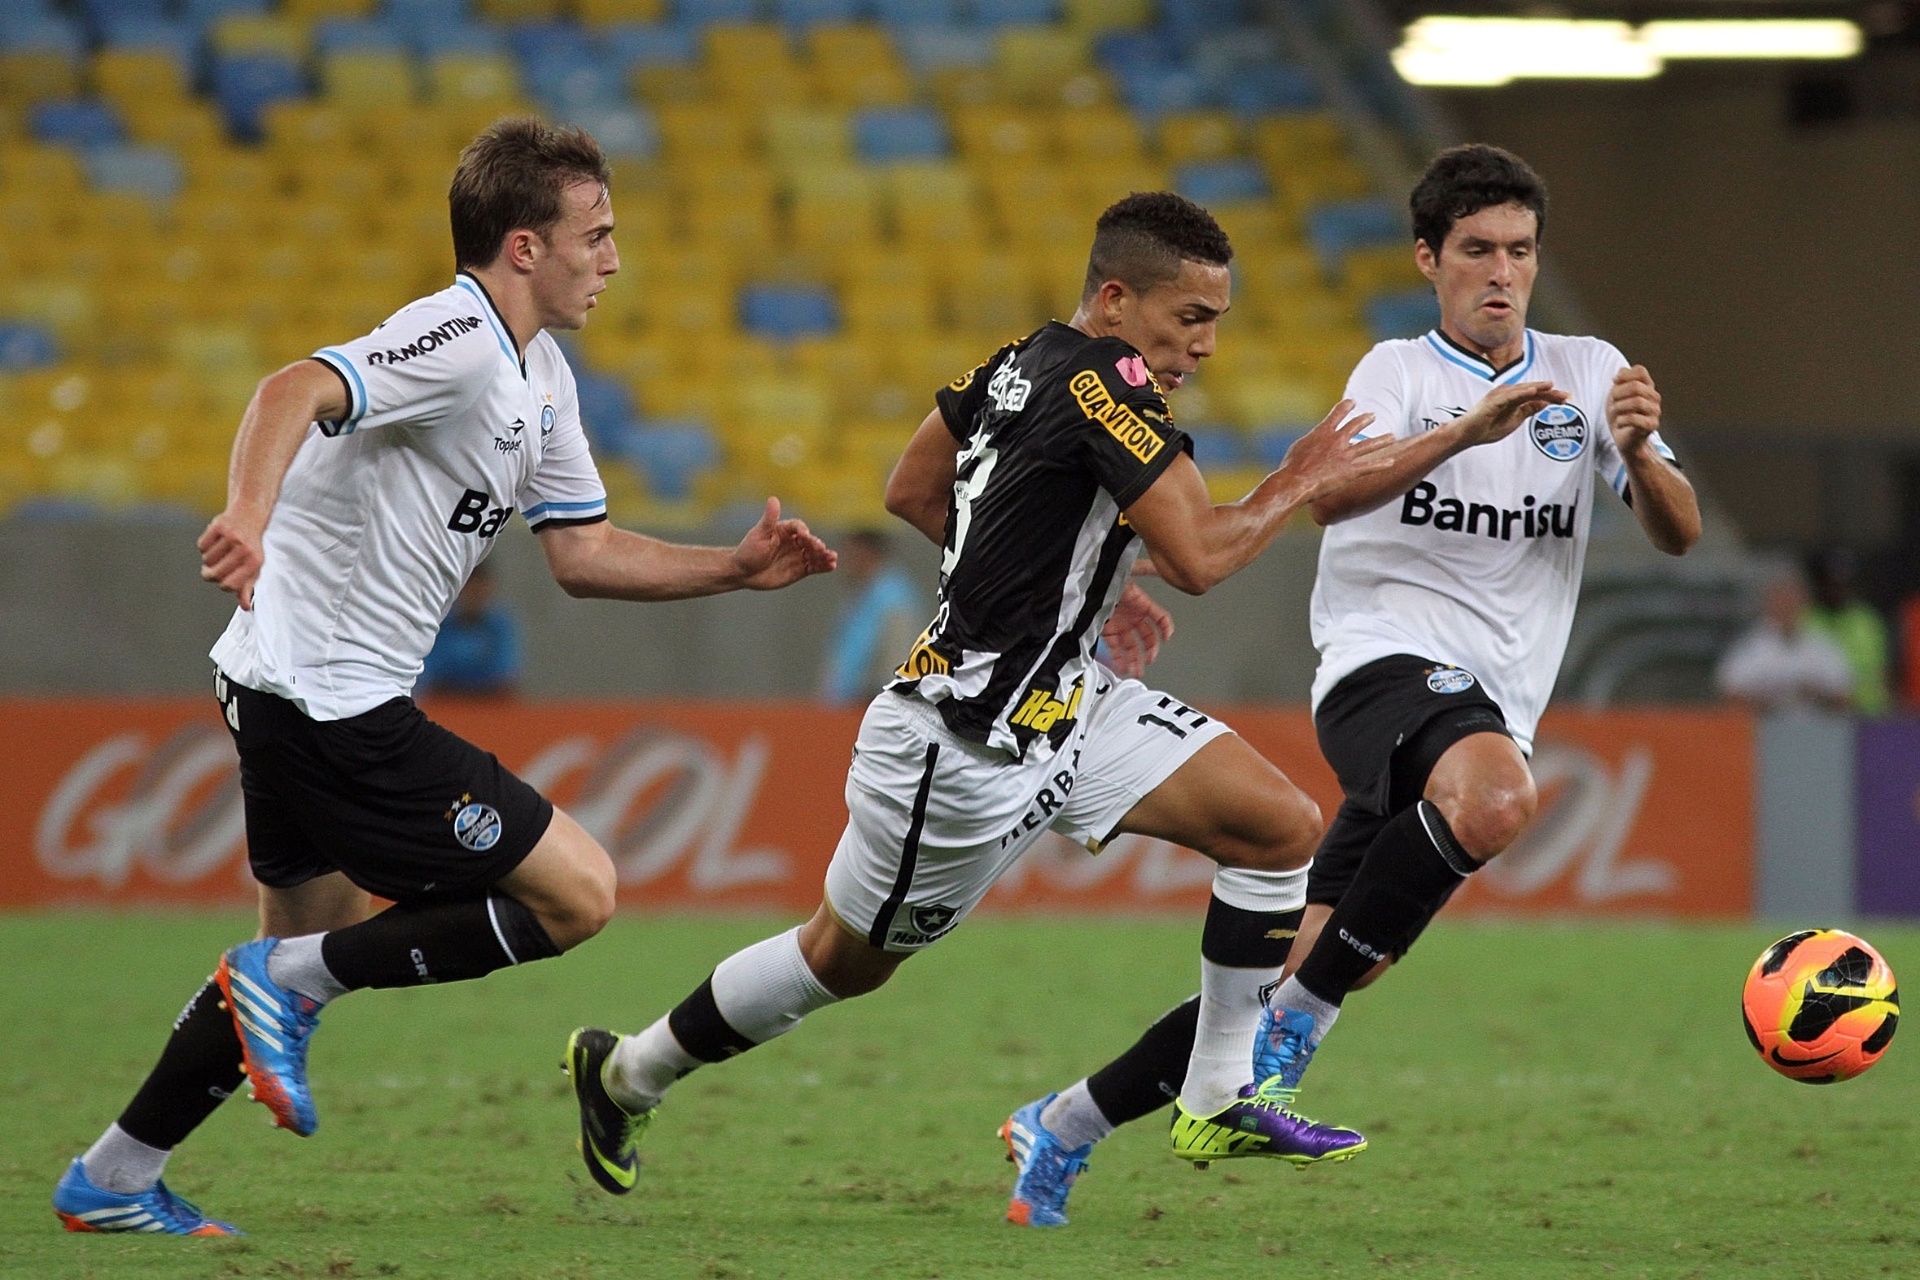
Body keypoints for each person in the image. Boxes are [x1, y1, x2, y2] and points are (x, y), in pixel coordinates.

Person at [51, 118, 835, 1237]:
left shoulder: (541, 374)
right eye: (595, 236)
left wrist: (735, 569)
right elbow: (290, 389)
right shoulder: (457, 336)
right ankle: (281, 989)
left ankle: (114, 1176)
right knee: (576, 893)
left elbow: (582, 552)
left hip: (288, 691)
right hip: (331, 699)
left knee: (301, 945)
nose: (613, 259)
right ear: (524, 247)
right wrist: (247, 515)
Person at [562, 192, 1399, 1227]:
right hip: (962, 747)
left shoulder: (1019, 360)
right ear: (1116, 299)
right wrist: (1297, 480)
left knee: (1278, 827)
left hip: (1068, 703)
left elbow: (913, 486)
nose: (1207, 345)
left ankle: (1219, 1095)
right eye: (1190, 317)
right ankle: (628, 1074)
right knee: (839, 961)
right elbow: (1200, 558)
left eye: (1216, 322)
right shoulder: (1110, 384)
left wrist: (1077, 581)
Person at [1010, 143, 1702, 1218]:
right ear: (1429, 258)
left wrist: (1645, 455)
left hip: (1491, 703)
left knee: (1312, 959)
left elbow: (1679, 533)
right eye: (1477, 250)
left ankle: (1063, 1123)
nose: (1502, 272)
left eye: (1520, 251)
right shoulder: (1397, 372)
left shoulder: (1589, 369)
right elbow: (1332, 493)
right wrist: (1463, 433)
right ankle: (1297, 1034)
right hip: (1380, 665)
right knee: (1496, 799)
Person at [1716, 567, 1853, 713]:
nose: (1786, 606)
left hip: (1815, 722)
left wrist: (1816, 694)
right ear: (1768, 603)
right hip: (1764, 724)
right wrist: (1768, 700)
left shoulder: (1823, 646)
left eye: (1791, 599)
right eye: (1780, 600)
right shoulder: (1749, 647)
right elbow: (1729, 696)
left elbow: (1845, 699)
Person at [816, 528, 924, 705]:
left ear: (867, 551)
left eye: (850, 552)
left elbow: (895, 663)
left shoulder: (894, 597)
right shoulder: (861, 595)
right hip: (846, 707)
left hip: (869, 705)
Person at [1804, 549, 1890, 715]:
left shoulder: (1868, 620)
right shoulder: (1805, 619)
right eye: (1831, 583)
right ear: (1819, 584)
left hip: (1868, 713)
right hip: (1817, 715)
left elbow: (1884, 672)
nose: (1838, 589)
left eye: (1845, 583)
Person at [419, 560, 523, 697]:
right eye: (469, 589)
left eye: (479, 589)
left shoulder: (500, 626)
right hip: (445, 701)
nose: (473, 595)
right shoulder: (440, 625)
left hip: (490, 701)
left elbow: (505, 673)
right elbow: (429, 673)